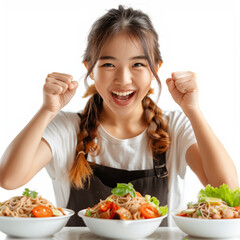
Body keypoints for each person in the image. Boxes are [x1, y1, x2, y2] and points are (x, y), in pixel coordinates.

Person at [0, 5, 238, 226]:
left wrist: (193, 110)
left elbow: (228, 189)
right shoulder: (67, 127)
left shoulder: (174, 126)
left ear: (156, 68)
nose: (123, 79)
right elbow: (9, 179)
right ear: (90, 69)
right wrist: (47, 110)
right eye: (108, 65)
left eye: (138, 64)